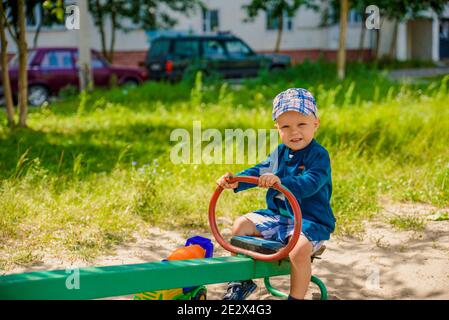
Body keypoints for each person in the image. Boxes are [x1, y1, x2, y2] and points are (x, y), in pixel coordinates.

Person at [217, 88, 335, 300]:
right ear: (278, 129)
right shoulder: (279, 153)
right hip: (278, 217)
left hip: (309, 221)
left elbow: (311, 182)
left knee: (298, 250)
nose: (294, 132)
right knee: (239, 226)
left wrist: (282, 181)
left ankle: (295, 297)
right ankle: (241, 282)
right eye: (286, 126)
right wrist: (235, 181)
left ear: (315, 124)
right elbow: (257, 171)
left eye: (301, 124)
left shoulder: (319, 156)